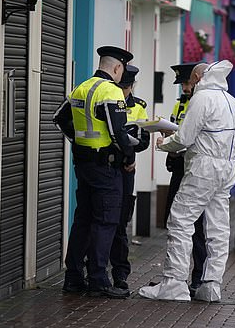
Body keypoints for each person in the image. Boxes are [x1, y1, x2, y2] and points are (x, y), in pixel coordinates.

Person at [139, 61, 235, 303]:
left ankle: (174, 283)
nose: (190, 83)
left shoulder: (202, 98)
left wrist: (164, 144)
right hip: (228, 167)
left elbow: (184, 137)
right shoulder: (233, 103)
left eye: (192, 79)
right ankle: (211, 285)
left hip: (203, 167)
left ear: (198, 77)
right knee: (218, 228)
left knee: (181, 221)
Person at [53, 45, 136, 299]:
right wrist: (128, 158)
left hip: (83, 164)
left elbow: (59, 118)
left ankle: (74, 278)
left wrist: (78, 141)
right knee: (105, 221)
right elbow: (118, 132)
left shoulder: (82, 87)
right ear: (117, 67)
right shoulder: (111, 91)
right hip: (105, 167)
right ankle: (98, 280)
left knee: (83, 220)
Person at [163, 62, 207, 296]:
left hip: (195, 170)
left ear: (197, 80)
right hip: (179, 168)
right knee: (175, 221)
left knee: (198, 226)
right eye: (182, 84)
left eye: (187, 83)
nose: (184, 88)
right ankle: (175, 277)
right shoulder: (181, 103)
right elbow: (177, 130)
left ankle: (198, 277)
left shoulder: (203, 104)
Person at [109, 65, 151, 290]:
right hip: (108, 165)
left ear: (131, 86)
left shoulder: (139, 106)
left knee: (121, 223)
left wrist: (130, 153)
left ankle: (120, 273)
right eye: (121, 86)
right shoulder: (107, 99)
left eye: (126, 87)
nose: (123, 91)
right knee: (103, 219)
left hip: (126, 171)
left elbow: (143, 141)